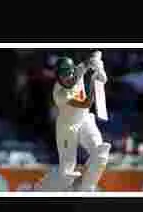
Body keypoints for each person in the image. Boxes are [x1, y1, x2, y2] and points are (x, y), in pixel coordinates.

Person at [38, 51, 110, 191]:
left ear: (73, 71)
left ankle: (86, 188)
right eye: (63, 76)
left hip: (85, 120)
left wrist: (98, 65)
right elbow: (86, 103)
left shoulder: (78, 71)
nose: (68, 79)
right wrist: (95, 82)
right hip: (68, 128)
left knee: (100, 153)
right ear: (58, 77)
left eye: (69, 74)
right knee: (67, 174)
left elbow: (94, 55)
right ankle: (44, 188)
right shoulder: (60, 94)